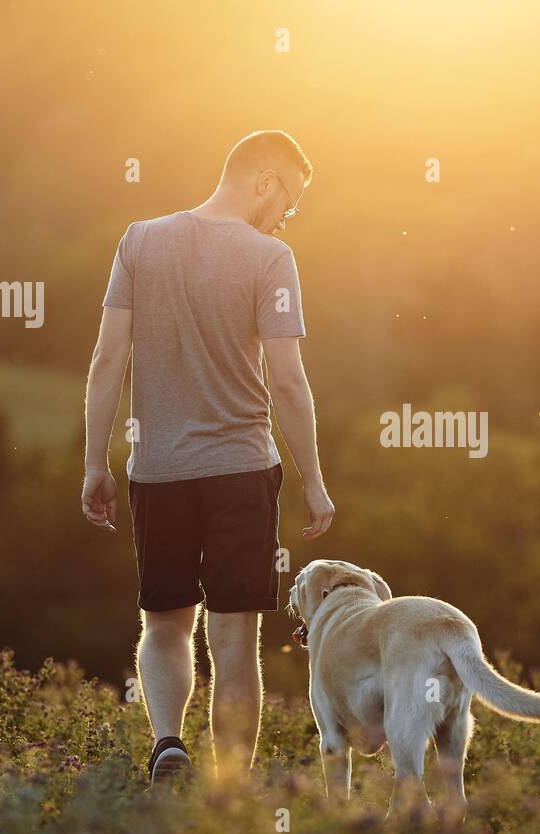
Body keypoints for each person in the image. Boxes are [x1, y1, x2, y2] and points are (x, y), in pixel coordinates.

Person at [81, 130, 335, 785]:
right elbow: (287, 381)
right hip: (242, 474)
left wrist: (94, 465)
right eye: (291, 201)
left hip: (158, 473)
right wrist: (314, 481)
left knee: (165, 624)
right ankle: (229, 798)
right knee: (233, 642)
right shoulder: (271, 259)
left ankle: (168, 742)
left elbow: (109, 359)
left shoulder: (139, 241)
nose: (287, 218)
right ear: (265, 182)